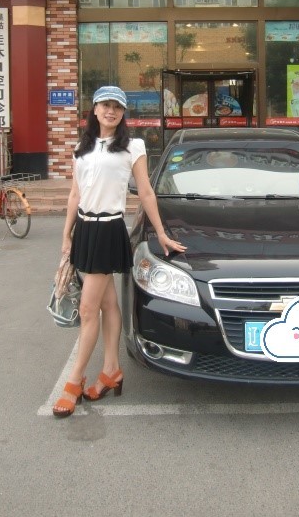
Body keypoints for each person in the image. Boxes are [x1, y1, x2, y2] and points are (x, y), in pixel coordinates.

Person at [52, 86, 187, 418]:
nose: (111, 111)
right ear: (95, 109)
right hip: (85, 229)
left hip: (108, 228)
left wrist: (161, 233)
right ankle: (111, 370)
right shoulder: (81, 148)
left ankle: (74, 381)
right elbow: (74, 195)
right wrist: (66, 234)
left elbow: (146, 192)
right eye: (105, 105)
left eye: (117, 107)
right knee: (108, 303)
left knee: (88, 310)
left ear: (123, 113)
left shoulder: (132, 146)